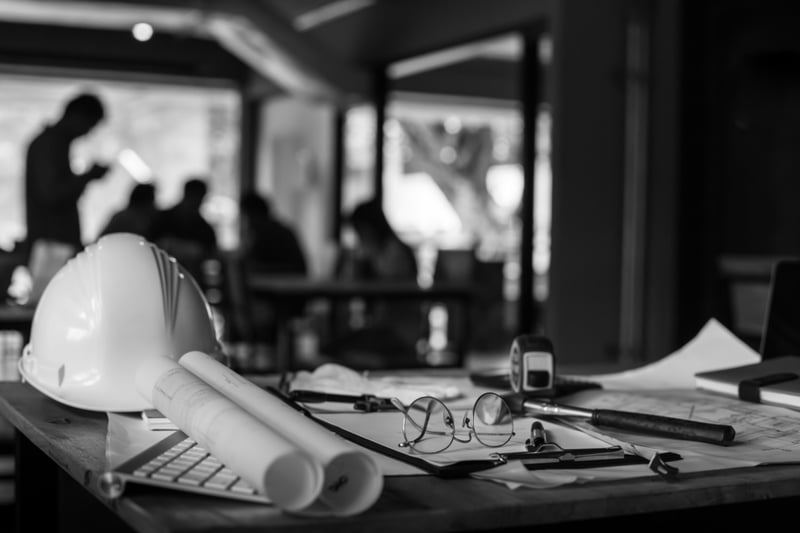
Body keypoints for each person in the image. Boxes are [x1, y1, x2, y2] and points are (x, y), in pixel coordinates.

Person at [329, 198, 422, 367]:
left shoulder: (392, 252)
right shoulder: (378, 251)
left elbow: (380, 287)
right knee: (336, 344)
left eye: (359, 230)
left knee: (338, 347)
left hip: (399, 333)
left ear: (368, 228)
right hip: (387, 328)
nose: (359, 236)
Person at [24, 91, 110, 254]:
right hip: (51, 246)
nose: (88, 133)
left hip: (55, 244)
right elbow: (52, 194)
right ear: (77, 116)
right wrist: (88, 176)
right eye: (89, 125)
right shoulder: (47, 145)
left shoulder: (56, 145)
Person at [150, 177, 218, 285]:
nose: (197, 203)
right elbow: (150, 246)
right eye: (195, 198)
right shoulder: (163, 219)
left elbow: (211, 253)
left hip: (192, 282)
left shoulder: (204, 228)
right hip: (161, 279)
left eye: (200, 199)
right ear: (187, 195)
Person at [239, 191, 307, 277]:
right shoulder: (278, 229)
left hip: (286, 285)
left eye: (245, 215)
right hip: (287, 283)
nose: (246, 222)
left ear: (253, 214)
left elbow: (254, 264)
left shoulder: (267, 232)